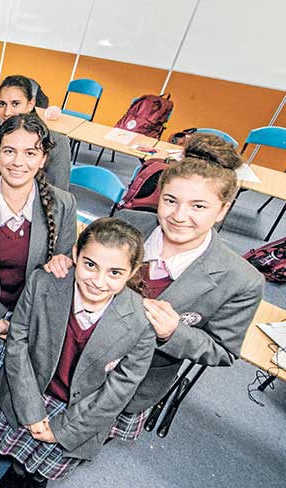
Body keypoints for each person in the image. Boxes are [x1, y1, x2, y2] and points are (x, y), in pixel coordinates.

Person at [109, 134, 265, 441]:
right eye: (170, 201)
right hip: (75, 359)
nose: (179, 217)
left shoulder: (241, 280)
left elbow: (222, 350)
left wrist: (172, 332)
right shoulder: (124, 225)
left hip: (134, 384)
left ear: (222, 210)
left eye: (199, 206)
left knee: (85, 441)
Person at [0, 217, 155, 488]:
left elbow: (119, 390)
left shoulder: (141, 322)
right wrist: (30, 409)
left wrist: (63, 429)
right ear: (75, 254)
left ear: (133, 271)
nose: (99, 282)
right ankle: (17, 473)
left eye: (114, 273)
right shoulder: (43, 282)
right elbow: (17, 341)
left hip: (80, 413)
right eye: (90, 265)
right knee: (19, 460)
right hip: (32, 391)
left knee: (41, 472)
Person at [0, 113, 77, 447]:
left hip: (27, 314)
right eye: (9, 151)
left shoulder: (63, 204)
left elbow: (59, 273)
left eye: (30, 153)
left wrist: (20, 322)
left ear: (43, 158)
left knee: (15, 376)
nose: (18, 162)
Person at [0, 75, 71, 190]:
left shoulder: (57, 143)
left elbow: (58, 195)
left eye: (15, 104)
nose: (7, 112)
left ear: (31, 104)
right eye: (2, 104)